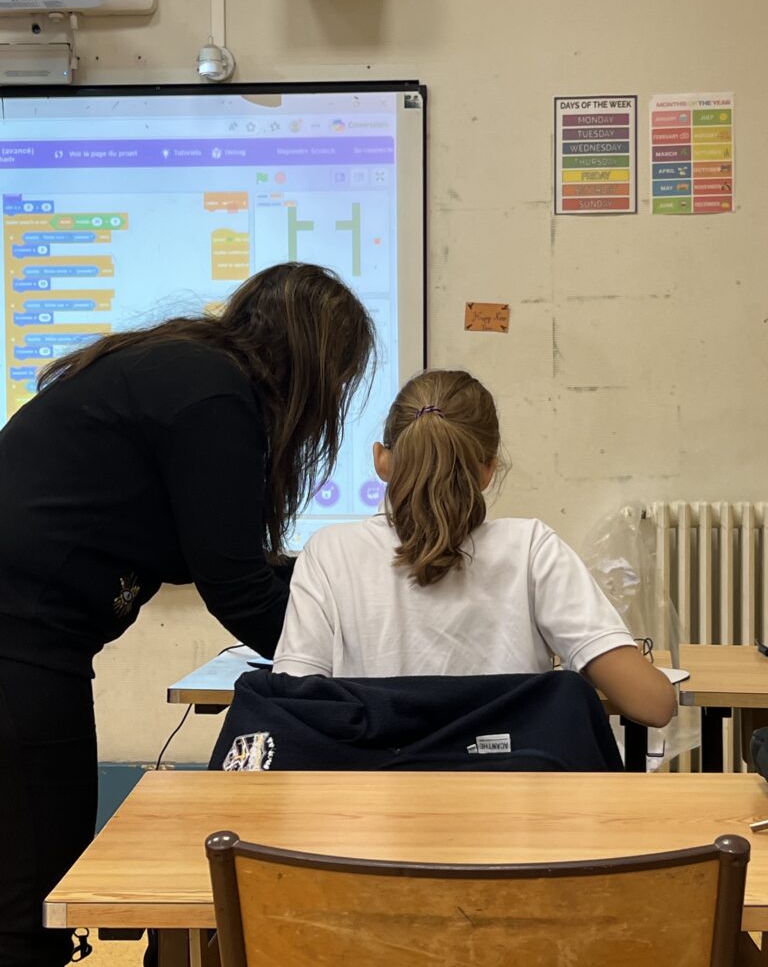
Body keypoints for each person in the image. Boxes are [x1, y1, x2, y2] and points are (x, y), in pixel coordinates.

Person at [0, 262, 375, 967]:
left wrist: (332, 579)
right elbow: (236, 585)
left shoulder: (183, 369)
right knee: (35, 894)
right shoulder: (214, 396)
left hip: (32, 640)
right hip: (19, 645)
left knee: (38, 870)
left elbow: (216, 555)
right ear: (316, 363)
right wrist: (357, 679)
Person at [273, 369, 676, 730]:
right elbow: (654, 706)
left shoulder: (328, 552)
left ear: (381, 460)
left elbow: (291, 706)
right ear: (488, 469)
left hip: (372, 785)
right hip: (509, 786)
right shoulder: (532, 548)